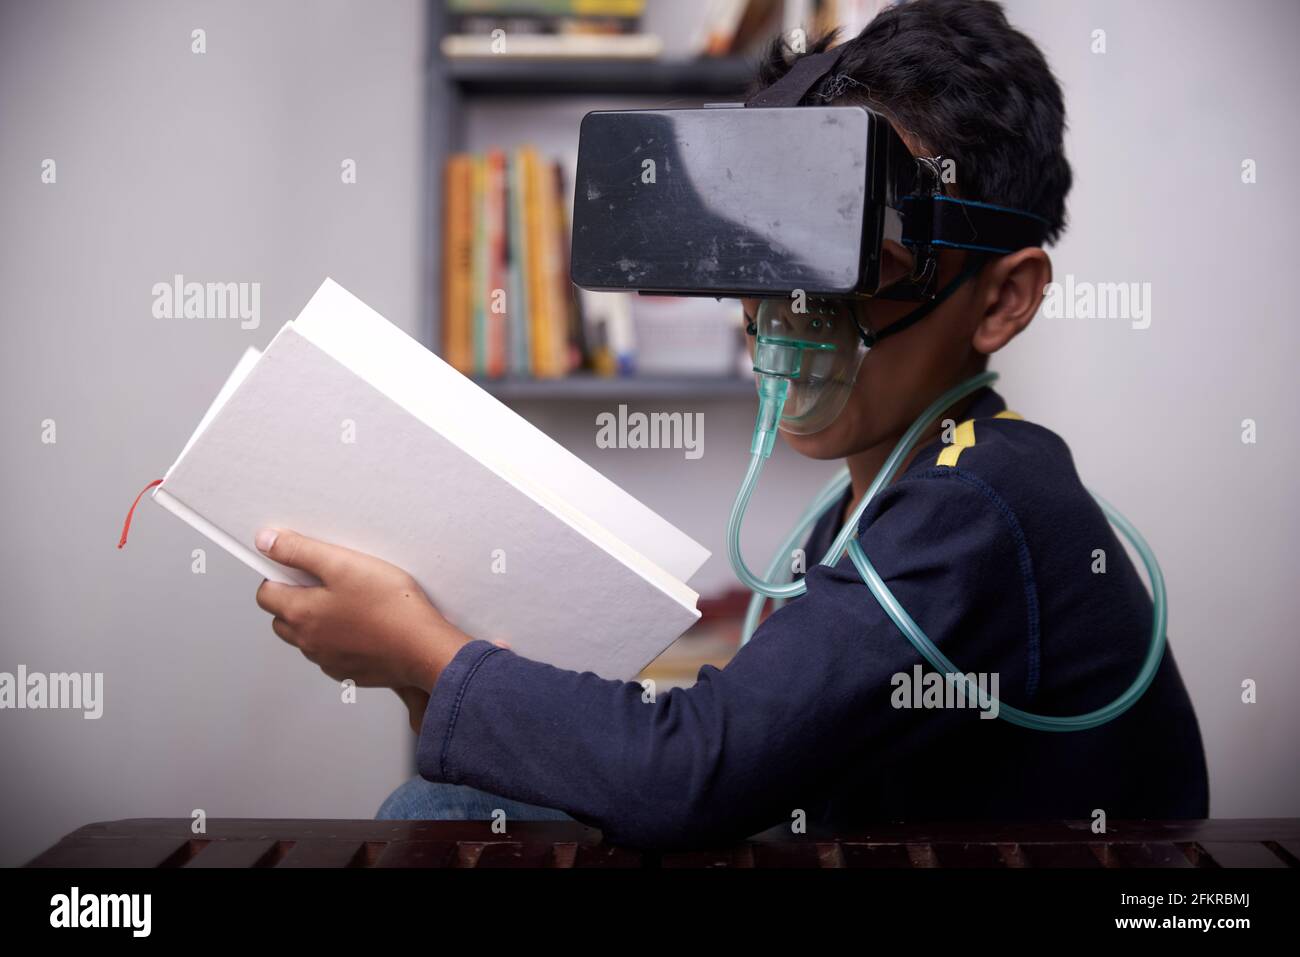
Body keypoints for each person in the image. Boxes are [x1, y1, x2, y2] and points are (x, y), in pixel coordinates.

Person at [253, 0, 1208, 848]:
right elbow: (758, 756)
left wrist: (426, 649)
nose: (788, 310)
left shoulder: (981, 499)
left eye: (849, 263)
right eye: (771, 254)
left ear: (1002, 300)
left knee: (436, 819)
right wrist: (431, 663)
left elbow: (689, 777)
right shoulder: (874, 504)